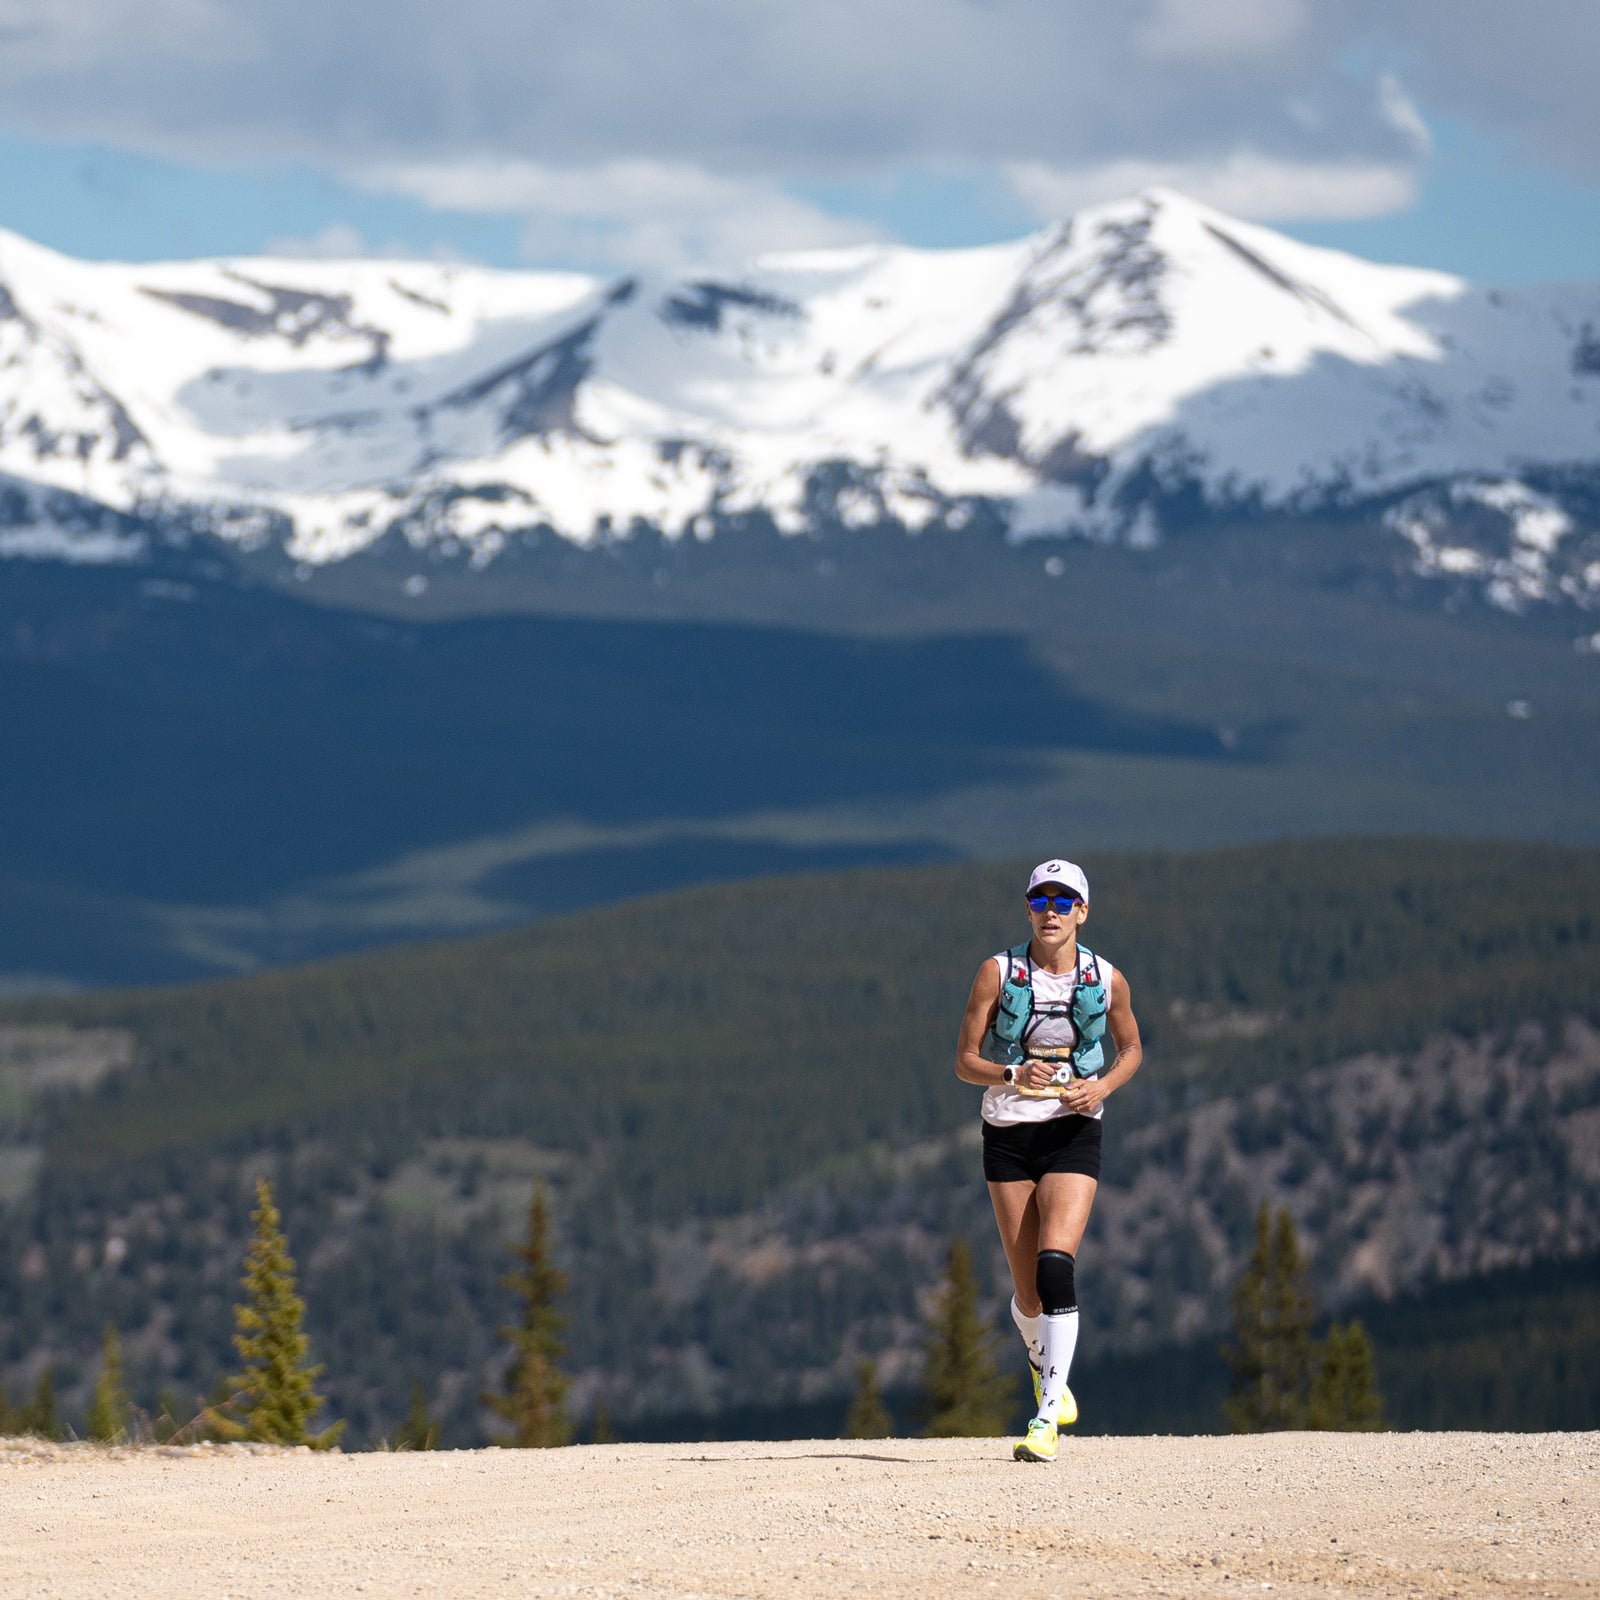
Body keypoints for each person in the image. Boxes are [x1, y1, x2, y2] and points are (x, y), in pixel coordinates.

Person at [955, 857, 1143, 1463]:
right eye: (1041, 901)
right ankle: (1045, 1371)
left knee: (1056, 1264)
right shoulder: (997, 972)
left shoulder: (1108, 978)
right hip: (1008, 1134)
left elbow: (1132, 1046)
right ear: (1028, 908)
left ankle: (1045, 1419)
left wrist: (1104, 1087)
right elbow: (965, 1060)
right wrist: (1011, 1071)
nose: (1052, 912)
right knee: (1028, 1292)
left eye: (1064, 902)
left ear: (1083, 912)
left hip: (1073, 1129)